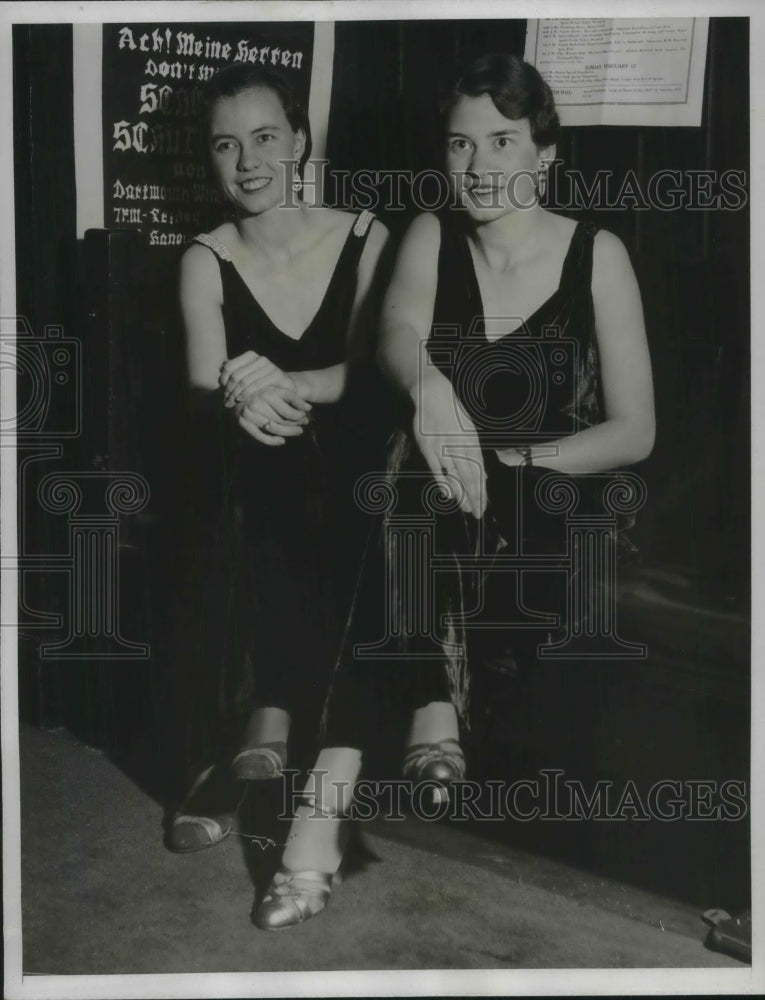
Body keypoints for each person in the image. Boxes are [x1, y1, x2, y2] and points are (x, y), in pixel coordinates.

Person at [252, 52, 655, 929]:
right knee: (409, 476)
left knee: (406, 493)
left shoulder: (599, 254)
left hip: (559, 500)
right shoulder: (433, 234)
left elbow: (633, 432)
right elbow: (396, 333)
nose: (477, 167)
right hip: (433, 496)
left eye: (502, 143)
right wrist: (434, 394)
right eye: (458, 145)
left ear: (544, 155)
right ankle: (416, 725)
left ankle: (334, 809)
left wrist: (506, 463)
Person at [165, 63, 390, 852]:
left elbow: (374, 373)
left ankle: (258, 731)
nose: (248, 161)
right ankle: (264, 735)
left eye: (265, 137)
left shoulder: (365, 234)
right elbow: (203, 380)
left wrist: (276, 379)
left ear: (298, 142)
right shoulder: (205, 257)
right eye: (226, 145)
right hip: (260, 465)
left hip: (360, 461)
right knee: (257, 446)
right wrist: (242, 389)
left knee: (303, 451)